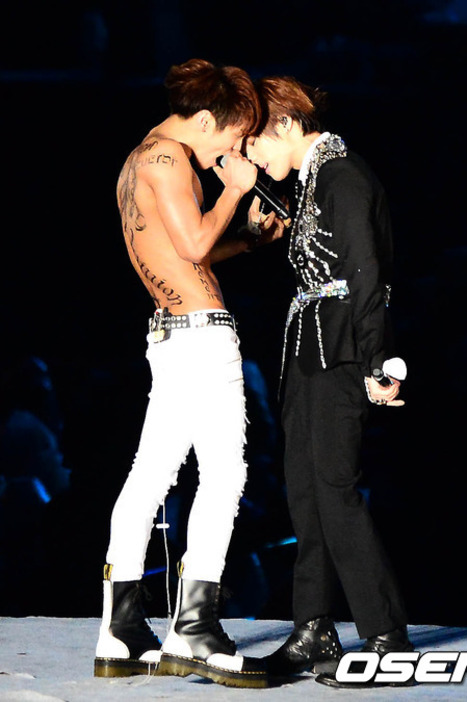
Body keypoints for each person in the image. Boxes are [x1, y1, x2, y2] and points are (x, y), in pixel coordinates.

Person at [94, 58, 271, 689]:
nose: (233, 151)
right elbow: (194, 247)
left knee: (151, 473)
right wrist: (236, 190)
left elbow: (185, 248)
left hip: (174, 333)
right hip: (200, 336)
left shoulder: (143, 158)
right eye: (233, 136)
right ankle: (194, 628)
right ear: (204, 121)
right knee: (225, 473)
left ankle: (120, 629)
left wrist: (248, 239)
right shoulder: (169, 159)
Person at [246, 76, 413, 687]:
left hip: (341, 351)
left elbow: (366, 275)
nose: (251, 154)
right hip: (308, 350)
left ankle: (386, 638)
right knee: (305, 491)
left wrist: (378, 362)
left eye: (255, 142)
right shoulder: (315, 178)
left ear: (287, 125)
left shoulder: (343, 175)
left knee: (335, 489)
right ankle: (312, 626)